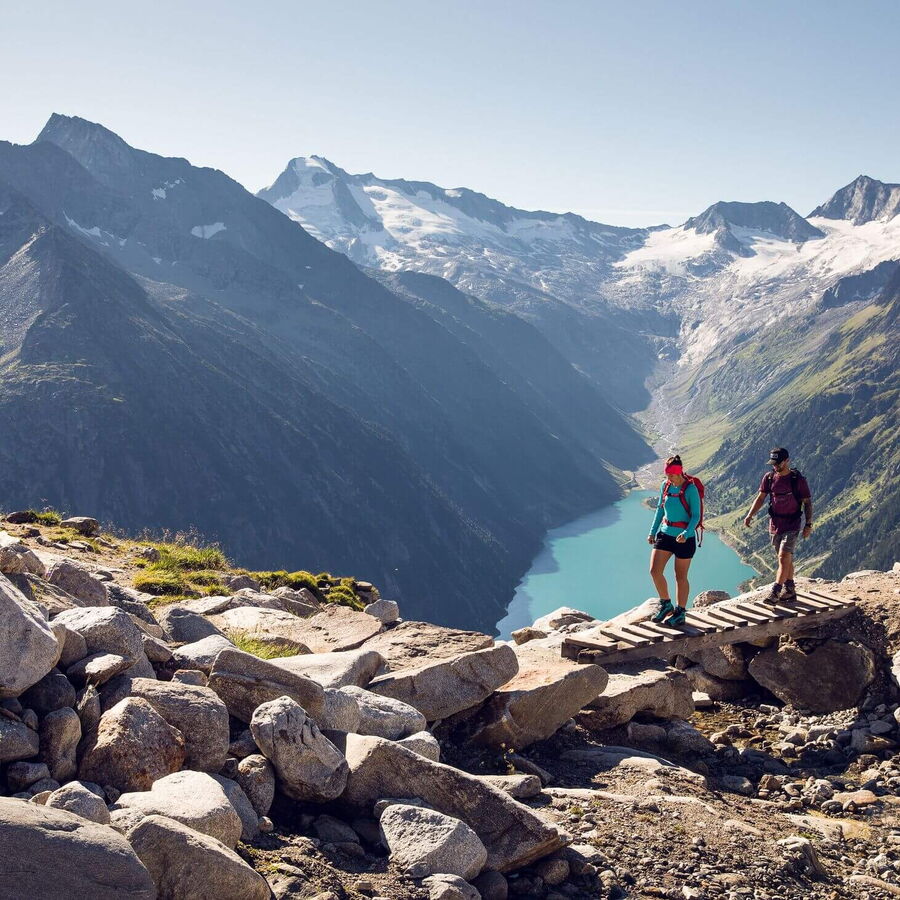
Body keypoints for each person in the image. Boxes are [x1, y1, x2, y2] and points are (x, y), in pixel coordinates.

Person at [743, 447, 813, 604]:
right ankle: (790, 590)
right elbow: (760, 498)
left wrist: (808, 524)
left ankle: (775, 592)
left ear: (787, 461)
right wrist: (750, 514)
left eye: (778, 463)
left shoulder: (798, 480)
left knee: (783, 557)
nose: (774, 466)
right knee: (785, 559)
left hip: (793, 524)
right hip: (775, 525)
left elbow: (807, 503)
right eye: (773, 463)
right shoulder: (769, 478)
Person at [647, 455, 701, 626]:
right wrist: (652, 532)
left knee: (680, 577)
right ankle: (666, 604)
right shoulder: (666, 486)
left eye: (671, 475)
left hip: (685, 539)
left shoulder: (690, 489)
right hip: (665, 534)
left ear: (679, 473)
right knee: (655, 571)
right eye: (667, 475)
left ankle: (680, 612)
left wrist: (686, 533)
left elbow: (696, 516)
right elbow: (660, 511)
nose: (668, 478)